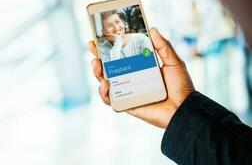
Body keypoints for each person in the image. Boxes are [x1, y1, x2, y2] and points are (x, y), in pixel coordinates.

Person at [88, 27, 252, 164]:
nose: (115, 29)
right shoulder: (114, 49)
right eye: (110, 27)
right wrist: (179, 110)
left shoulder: (137, 38)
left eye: (117, 22)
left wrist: (181, 109)